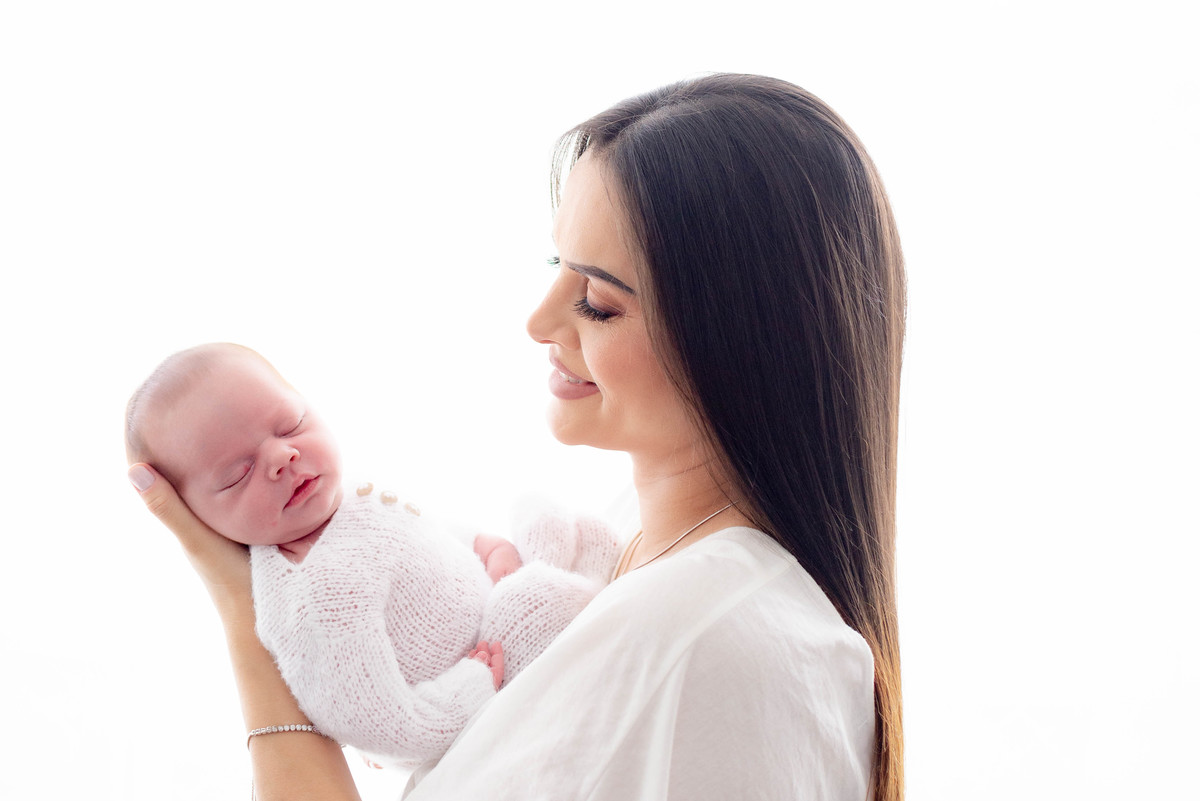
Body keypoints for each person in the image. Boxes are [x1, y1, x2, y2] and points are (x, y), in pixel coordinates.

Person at [129, 73, 905, 801]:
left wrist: (244, 607)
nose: (538, 321)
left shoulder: (719, 641)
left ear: (740, 337)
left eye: (596, 300)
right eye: (556, 265)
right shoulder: (635, 535)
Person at [125, 342, 619, 768]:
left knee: (538, 514)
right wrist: (470, 686)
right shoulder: (312, 596)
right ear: (196, 521)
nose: (282, 458)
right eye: (237, 474)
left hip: (484, 606)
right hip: (482, 674)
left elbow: (418, 539)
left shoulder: (342, 502)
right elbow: (379, 723)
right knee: (544, 591)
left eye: (290, 424)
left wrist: (483, 547)